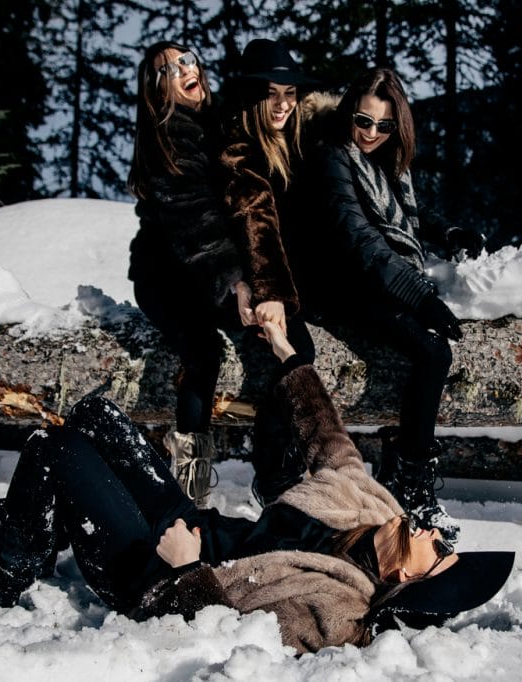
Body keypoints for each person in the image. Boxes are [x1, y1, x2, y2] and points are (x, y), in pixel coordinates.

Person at [0, 320, 514, 654]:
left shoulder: (337, 613)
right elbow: (329, 439)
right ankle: (49, 522)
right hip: (185, 520)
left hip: (154, 568)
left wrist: (186, 572)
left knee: (55, 447)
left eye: (439, 547)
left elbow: (234, 628)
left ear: (407, 579)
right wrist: (288, 356)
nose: (434, 528)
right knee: (95, 417)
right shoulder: (374, 507)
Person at [285, 68, 485, 529]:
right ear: (348, 114)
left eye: (383, 125)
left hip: (366, 276)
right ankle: (410, 482)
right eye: (363, 121)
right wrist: (419, 296)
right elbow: (359, 238)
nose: (372, 133)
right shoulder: (333, 157)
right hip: (334, 283)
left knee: (432, 349)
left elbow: (405, 216)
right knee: (432, 352)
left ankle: (404, 476)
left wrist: (447, 231)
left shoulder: (383, 162)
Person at [126, 41, 247, 506]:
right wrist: (237, 281)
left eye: (185, 60)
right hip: (165, 277)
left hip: (203, 269)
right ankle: (188, 484)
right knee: (203, 351)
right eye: (165, 72)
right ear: (157, 94)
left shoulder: (220, 121)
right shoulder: (168, 141)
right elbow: (198, 224)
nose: (180, 71)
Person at [217, 38, 319, 504]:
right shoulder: (239, 146)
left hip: (282, 281)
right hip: (245, 285)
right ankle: (277, 481)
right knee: (294, 351)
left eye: (290, 93)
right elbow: (254, 219)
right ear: (253, 96)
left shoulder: (292, 140)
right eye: (272, 93)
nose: (282, 104)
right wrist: (268, 291)